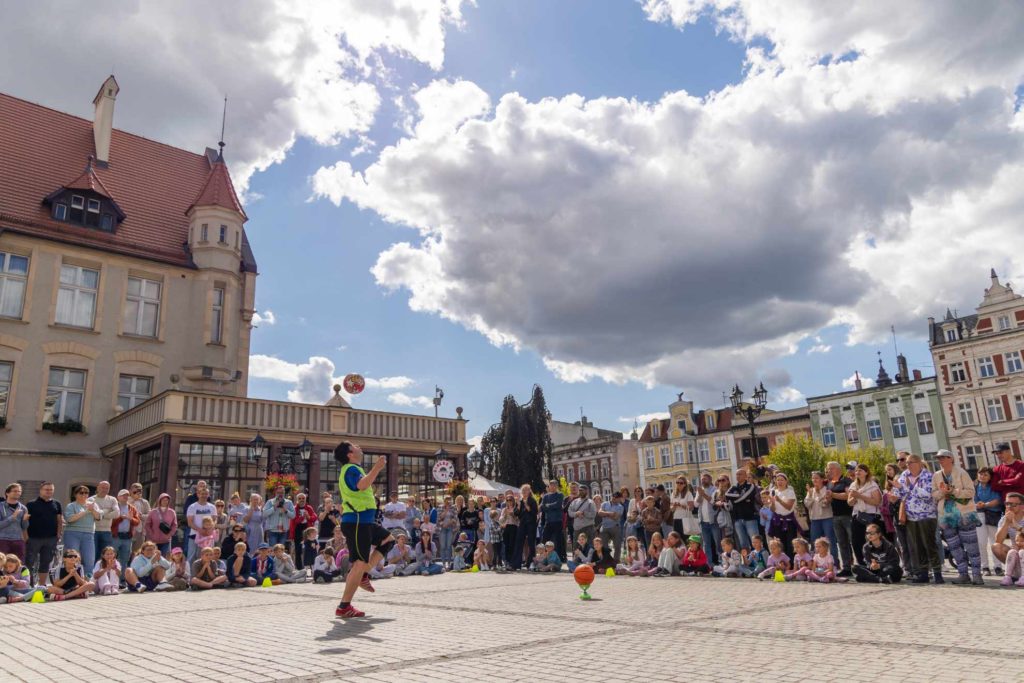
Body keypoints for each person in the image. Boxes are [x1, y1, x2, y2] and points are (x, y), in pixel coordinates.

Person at [334, 441, 393, 619]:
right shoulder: (351, 469)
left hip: (363, 521)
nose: (359, 446)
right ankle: (344, 606)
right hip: (357, 521)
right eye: (355, 445)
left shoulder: (354, 468)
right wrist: (377, 467)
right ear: (350, 454)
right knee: (359, 563)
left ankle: (363, 574)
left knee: (388, 540)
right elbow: (361, 485)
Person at [932, 449, 983, 585]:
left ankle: (977, 575)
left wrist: (954, 491)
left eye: (943, 457)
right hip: (946, 516)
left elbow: (971, 492)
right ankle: (963, 574)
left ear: (951, 458)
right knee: (954, 547)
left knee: (971, 546)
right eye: (939, 458)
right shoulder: (936, 475)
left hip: (964, 514)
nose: (940, 460)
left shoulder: (961, 472)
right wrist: (942, 493)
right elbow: (934, 494)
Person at [889, 454, 943, 584]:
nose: (907, 465)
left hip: (926, 515)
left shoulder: (928, 476)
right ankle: (923, 573)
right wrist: (894, 494)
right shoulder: (904, 476)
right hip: (911, 517)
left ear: (918, 463)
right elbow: (900, 493)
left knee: (930, 545)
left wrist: (909, 488)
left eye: (910, 462)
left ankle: (937, 573)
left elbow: (928, 495)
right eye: (906, 463)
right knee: (917, 546)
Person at [26, 482, 62, 586]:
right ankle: (30, 585)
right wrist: (26, 536)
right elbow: (25, 521)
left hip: (51, 538)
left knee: (46, 563)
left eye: (51, 490)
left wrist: (58, 534)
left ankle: (42, 585)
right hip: (33, 538)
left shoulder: (57, 504)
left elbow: (59, 520)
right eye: (46, 489)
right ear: (41, 490)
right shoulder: (31, 504)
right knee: (30, 563)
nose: (49, 492)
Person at [825, 460, 855, 577]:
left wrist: (833, 495)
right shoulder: (830, 483)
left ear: (837, 469)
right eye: (828, 469)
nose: (828, 471)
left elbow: (848, 495)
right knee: (842, 543)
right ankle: (846, 567)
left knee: (853, 541)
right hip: (836, 516)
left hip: (848, 515)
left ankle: (861, 565)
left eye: (830, 468)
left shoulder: (846, 481)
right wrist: (828, 499)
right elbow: (832, 498)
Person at [848, 464, 882, 566]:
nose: (858, 472)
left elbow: (877, 501)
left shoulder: (872, 485)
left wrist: (860, 496)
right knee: (856, 541)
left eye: (861, 470)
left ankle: (876, 563)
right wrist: (854, 497)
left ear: (866, 472)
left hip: (870, 516)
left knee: (873, 540)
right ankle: (862, 563)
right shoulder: (853, 485)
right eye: (857, 471)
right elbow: (849, 503)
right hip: (857, 515)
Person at [63, 485, 99, 578]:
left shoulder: (93, 504)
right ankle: (71, 579)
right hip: (72, 533)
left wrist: (93, 510)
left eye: (86, 493)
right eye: (81, 493)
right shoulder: (71, 506)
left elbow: (98, 517)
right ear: (75, 494)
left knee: (89, 559)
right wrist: (86, 511)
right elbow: (70, 519)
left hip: (89, 534)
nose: (84, 495)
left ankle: (87, 580)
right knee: (72, 558)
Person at [975, 467, 1005, 575]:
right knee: (981, 542)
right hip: (979, 515)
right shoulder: (974, 487)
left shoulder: (993, 487)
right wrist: (977, 505)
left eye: (985, 475)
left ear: (990, 477)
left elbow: (997, 501)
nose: (982, 476)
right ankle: (985, 567)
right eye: (980, 474)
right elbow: (972, 502)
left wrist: (985, 504)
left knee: (994, 542)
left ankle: (998, 567)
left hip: (993, 516)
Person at [804, 471, 838, 564]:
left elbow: (825, 505)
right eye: (813, 478)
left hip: (827, 518)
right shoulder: (810, 490)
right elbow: (807, 504)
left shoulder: (827, 489)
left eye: (817, 478)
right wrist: (810, 494)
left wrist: (822, 497)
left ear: (822, 479)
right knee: (815, 542)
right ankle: (816, 564)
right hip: (814, 519)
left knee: (831, 542)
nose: (814, 480)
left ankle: (834, 564)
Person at [86, 482, 119, 568]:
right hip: (93, 531)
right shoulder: (91, 500)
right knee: (93, 556)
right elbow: (92, 514)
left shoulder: (112, 499)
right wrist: (107, 510)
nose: (104, 490)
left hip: (107, 531)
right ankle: (93, 576)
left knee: (107, 557)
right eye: (102, 487)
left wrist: (101, 514)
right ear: (97, 488)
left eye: (107, 488)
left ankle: (104, 575)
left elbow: (117, 513)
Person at [725, 469, 760, 550]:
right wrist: (738, 495)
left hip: (750, 518)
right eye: (737, 474)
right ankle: (746, 561)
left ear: (745, 476)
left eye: (740, 474)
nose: (738, 476)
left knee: (755, 541)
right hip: (737, 519)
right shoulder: (733, 487)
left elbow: (744, 496)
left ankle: (758, 561)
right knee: (743, 543)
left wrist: (734, 499)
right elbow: (726, 495)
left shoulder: (750, 486)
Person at [111, 489, 140, 582]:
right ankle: (111, 578)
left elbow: (137, 522)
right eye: (123, 495)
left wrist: (130, 519)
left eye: (127, 495)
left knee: (124, 559)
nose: (126, 497)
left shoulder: (132, 508)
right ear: (118, 497)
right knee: (111, 557)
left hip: (127, 537)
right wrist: (121, 518)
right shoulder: (114, 507)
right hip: (116, 536)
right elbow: (111, 522)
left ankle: (122, 579)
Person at [767, 472, 800, 555]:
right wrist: (773, 503)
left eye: (782, 480)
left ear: (786, 481)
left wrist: (779, 500)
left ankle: (792, 564)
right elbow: (772, 509)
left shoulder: (790, 492)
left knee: (790, 544)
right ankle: (783, 564)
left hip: (789, 521)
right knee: (780, 544)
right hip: (778, 522)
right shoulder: (773, 492)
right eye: (778, 480)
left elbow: (789, 507)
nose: (780, 482)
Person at [186, 485, 217, 562]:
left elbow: (215, 520)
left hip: (208, 536)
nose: (204, 495)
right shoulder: (192, 507)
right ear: (198, 494)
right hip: (194, 534)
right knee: (192, 556)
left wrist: (210, 529)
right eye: (202, 494)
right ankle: (191, 573)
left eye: (206, 494)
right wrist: (200, 530)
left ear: (208, 495)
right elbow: (190, 522)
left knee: (208, 557)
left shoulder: (212, 507)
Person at [992, 492, 1024, 567]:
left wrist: (1018, 527)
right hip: (1016, 552)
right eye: (1007, 503)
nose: (1009, 506)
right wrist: (1006, 523)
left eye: (1013, 504)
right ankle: (1014, 571)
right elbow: (998, 541)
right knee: (996, 547)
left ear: (1022, 506)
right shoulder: (1004, 519)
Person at [695, 473, 720, 565]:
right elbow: (696, 504)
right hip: (703, 521)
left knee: (717, 542)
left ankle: (721, 561)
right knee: (706, 544)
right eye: (702, 479)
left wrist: (703, 494)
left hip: (713, 520)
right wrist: (700, 495)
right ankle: (708, 564)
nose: (703, 481)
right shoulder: (700, 491)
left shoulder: (714, 489)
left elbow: (713, 502)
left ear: (710, 480)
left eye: (705, 479)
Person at [0, 483, 29, 562]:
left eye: (19, 491)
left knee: (19, 563)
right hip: (3, 539)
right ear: (7, 493)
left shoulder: (23, 508)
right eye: (15, 491)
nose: (18, 493)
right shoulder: (1, 506)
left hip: (18, 539)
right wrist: (12, 517)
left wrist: (25, 520)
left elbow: (24, 527)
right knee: (2, 564)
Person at [513, 484, 538, 571]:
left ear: (529, 491)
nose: (524, 492)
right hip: (522, 524)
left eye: (526, 490)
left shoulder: (532, 501)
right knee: (519, 543)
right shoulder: (519, 501)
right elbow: (515, 513)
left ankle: (531, 563)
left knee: (531, 544)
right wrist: (519, 506)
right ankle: (516, 564)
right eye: (523, 490)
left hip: (531, 524)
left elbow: (535, 513)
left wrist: (528, 508)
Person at [540, 480, 565, 559]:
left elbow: (558, 504)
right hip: (549, 521)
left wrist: (548, 506)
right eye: (551, 485)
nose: (553, 487)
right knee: (544, 538)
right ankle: (544, 556)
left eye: (554, 485)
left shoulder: (560, 494)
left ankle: (560, 557)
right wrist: (550, 506)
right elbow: (543, 507)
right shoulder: (546, 496)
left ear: (557, 486)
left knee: (558, 540)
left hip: (557, 521)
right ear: (549, 486)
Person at [291, 493, 316, 567]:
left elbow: (314, 517)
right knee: (298, 550)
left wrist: (308, 516)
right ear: (297, 500)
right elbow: (294, 520)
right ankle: (299, 568)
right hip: (297, 530)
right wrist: (302, 517)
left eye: (303, 498)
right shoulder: (294, 508)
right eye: (300, 498)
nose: (302, 500)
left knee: (309, 549)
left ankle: (309, 568)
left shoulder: (309, 508)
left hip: (307, 529)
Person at [598, 492, 624, 561]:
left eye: (616, 498)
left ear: (619, 499)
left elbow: (616, 517)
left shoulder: (620, 507)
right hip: (604, 528)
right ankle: (606, 561)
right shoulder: (604, 504)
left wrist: (605, 514)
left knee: (617, 546)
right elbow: (599, 513)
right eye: (613, 497)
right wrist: (610, 513)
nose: (614, 499)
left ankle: (616, 561)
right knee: (604, 547)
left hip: (615, 527)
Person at [128, 484, 151, 554]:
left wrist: (142, 516)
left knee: (136, 552)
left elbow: (150, 515)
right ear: (130, 491)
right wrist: (133, 500)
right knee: (127, 552)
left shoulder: (145, 502)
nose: (138, 492)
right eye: (135, 490)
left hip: (140, 531)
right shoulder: (126, 500)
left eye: (140, 490)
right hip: (128, 531)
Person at [499, 491, 519, 569]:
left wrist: (512, 515)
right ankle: (507, 562)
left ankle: (512, 562)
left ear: (513, 500)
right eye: (507, 500)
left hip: (514, 527)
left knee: (512, 545)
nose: (509, 502)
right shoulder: (504, 509)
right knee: (506, 545)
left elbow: (518, 520)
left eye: (510, 500)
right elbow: (500, 520)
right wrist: (505, 516)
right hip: (506, 528)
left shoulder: (516, 509)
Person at [436, 497, 458, 568]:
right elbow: (439, 518)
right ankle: (443, 563)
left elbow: (455, 518)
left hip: (450, 528)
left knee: (448, 546)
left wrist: (448, 523)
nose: (448, 501)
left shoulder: (454, 508)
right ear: (444, 500)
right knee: (442, 546)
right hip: (442, 528)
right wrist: (446, 510)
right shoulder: (440, 507)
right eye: (447, 500)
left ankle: (448, 563)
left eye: (449, 500)